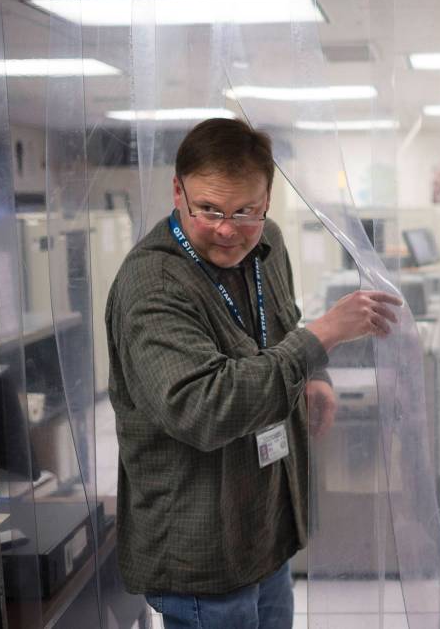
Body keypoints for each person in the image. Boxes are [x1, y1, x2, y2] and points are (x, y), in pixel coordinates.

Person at [105, 118, 401, 629]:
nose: (227, 229)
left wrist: (314, 378)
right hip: (202, 552)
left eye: (246, 211)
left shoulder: (267, 246)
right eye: (209, 210)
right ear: (178, 192)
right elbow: (203, 409)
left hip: (262, 528)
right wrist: (324, 336)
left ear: (267, 199)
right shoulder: (152, 285)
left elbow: (279, 328)